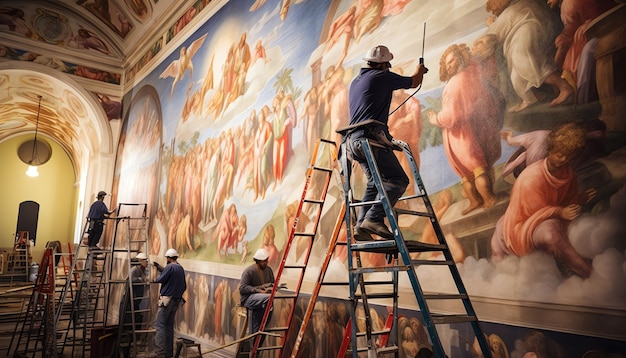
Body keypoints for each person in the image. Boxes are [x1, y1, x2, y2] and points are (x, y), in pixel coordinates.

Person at [342, 45, 428, 240]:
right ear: (383, 65)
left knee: (374, 182)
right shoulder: (382, 76)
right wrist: (420, 70)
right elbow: (414, 82)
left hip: (352, 143)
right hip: (369, 139)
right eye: (388, 65)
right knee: (399, 180)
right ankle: (374, 218)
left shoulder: (356, 81)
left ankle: (361, 225)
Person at [153, 248, 186, 358]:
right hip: (176, 300)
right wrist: (161, 269)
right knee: (168, 326)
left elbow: (160, 279)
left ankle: (160, 353)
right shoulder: (180, 268)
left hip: (166, 300)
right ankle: (168, 353)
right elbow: (182, 284)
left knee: (160, 325)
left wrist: (153, 278)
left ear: (168, 258)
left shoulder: (170, 267)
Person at [239, 248, 275, 336]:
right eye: (264, 261)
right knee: (269, 298)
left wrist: (271, 288)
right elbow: (242, 288)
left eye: (266, 260)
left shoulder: (269, 270)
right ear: (258, 261)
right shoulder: (249, 271)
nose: (266, 263)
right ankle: (252, 347)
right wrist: (258, 290)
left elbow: (272, 283)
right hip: (249, 298)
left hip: (263, 299)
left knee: (263, 328)